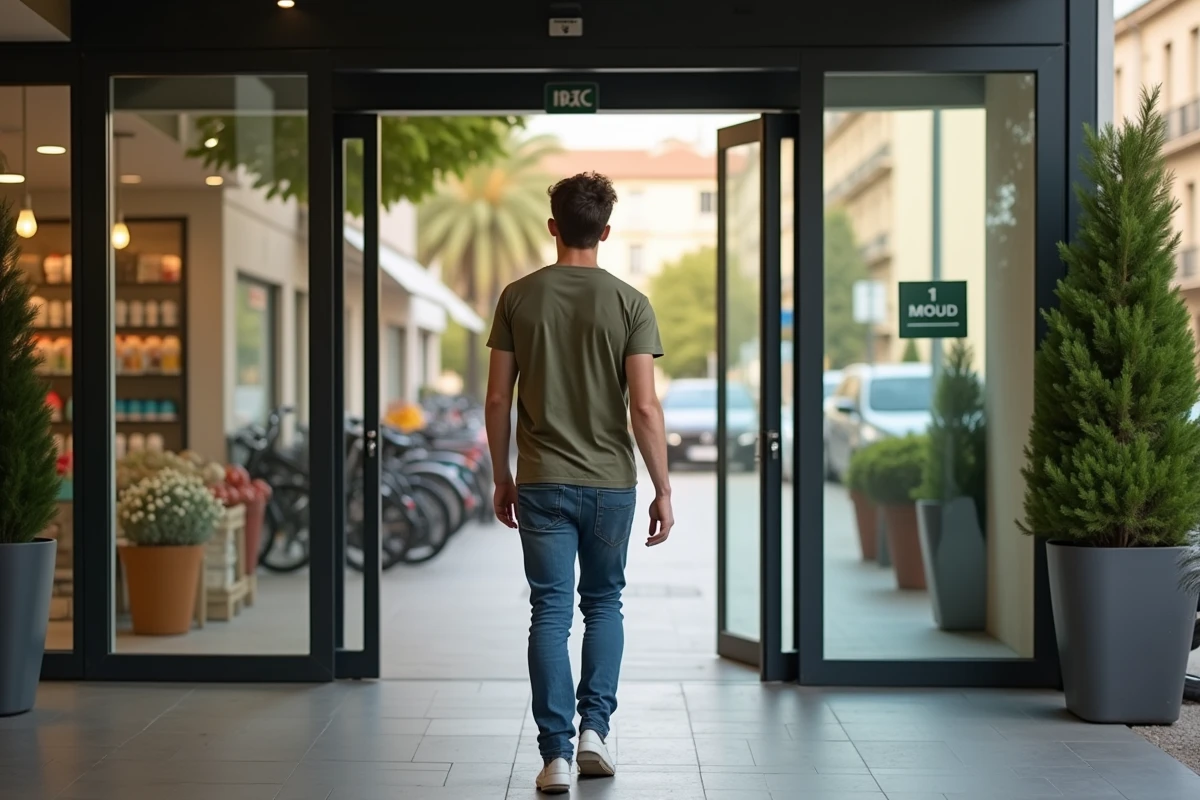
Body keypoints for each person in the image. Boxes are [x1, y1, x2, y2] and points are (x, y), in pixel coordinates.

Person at [484, 171, 674, 794]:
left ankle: (555, 756)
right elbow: (644, 409)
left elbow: (495, 400)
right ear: (607, 231)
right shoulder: (630, 303)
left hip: (540, 481)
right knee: (604, 605)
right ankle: (595, 732)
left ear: (552, 226)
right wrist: (663, 489)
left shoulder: (517, 297)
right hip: (609, 485)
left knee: (550, 612)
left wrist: (501, 476)